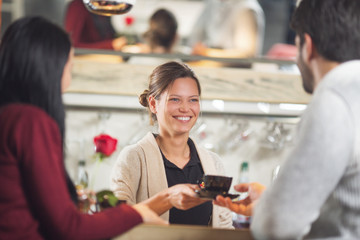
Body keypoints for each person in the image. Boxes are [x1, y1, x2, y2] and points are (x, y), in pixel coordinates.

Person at [0, 16, 167, 239]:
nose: (70, 75)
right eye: (70, 65)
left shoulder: (9, 115)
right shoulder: (30, 122)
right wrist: (137, 212)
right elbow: (69, 228)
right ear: (50, 68)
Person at [215, 0, 360, 239]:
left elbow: (275, 226)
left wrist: (268, 209)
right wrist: (273, 198)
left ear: (308, 46)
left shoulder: (334, 98)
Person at [110, 61, 233, 228]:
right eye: (175, 99)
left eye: (193, 100)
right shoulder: (134, 158)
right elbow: (116, 220)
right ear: (153, 104)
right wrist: (167, 200)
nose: (185, 108)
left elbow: (225, 228)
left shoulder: (213, 163)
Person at [188, 0, 265, 58]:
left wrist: (208, 53)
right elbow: (195, 39)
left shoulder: (246, 8)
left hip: (231, 72)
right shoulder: (212, 3)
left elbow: (246, 55)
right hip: (209, 65)